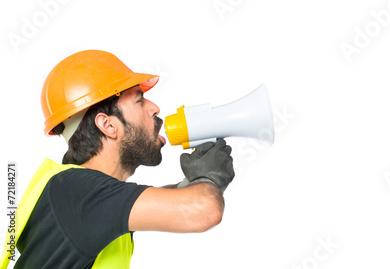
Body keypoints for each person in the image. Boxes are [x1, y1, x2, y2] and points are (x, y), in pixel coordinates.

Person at [0, 50, 235, 268]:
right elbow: (203, 210)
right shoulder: (79, 192)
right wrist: (210, 176)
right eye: (139, 100)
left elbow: (149, 203)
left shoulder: (77, 192)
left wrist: (193, 184)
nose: (154, 108)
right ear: (108, 125)